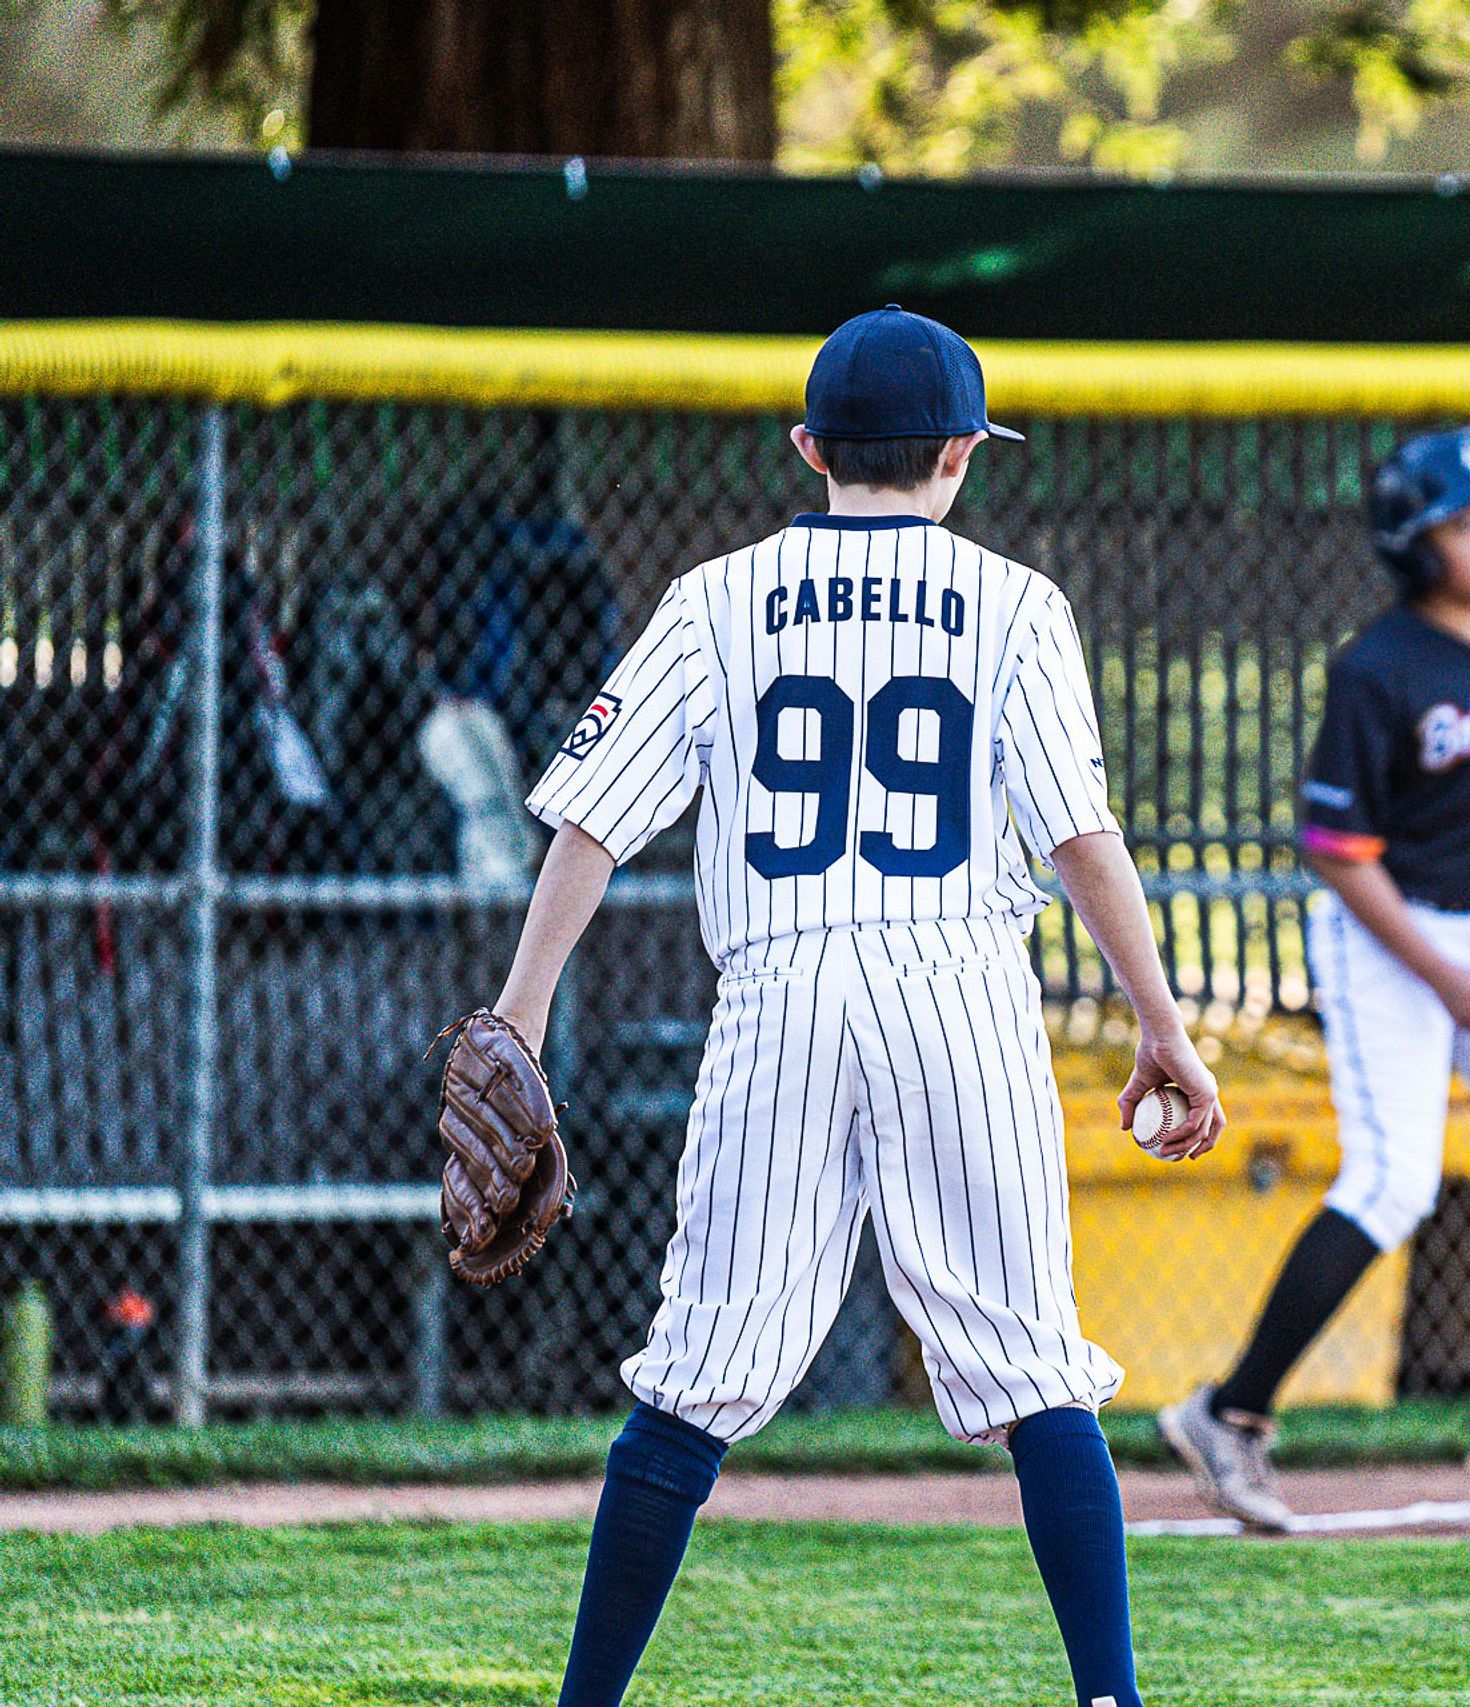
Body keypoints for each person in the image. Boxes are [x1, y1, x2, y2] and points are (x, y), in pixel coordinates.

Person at [485, 305, 1227, 1707]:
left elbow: (588, 821)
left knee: (697, 1370)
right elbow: (1080, 834)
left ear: (808, 446)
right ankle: (1110, 1697)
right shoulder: (1015, 602)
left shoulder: (714, 596)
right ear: (962, 454)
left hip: (779, 990)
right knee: (1033, 1356)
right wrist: (1164, 1021)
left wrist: (519, 1016)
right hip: (960, 983)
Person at [1157, 425, 1470, 1531]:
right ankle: (1228, 1416)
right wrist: (1437, 973)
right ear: (1413, 548)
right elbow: (1337, 852)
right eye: (1465, 526)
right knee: (1393, 1182)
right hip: (1387, 934)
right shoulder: (1379, 668)